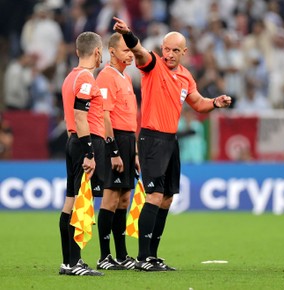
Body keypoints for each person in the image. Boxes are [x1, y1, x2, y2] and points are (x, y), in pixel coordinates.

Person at [113, 16, 232, 271]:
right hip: (152, 138)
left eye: (175, 50)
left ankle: (153, 255)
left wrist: (215, 103)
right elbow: (139, 51)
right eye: (166, 48)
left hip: (170, 140)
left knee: (166, 198)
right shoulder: (153, 65)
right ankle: (143, 258)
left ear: (184, 52)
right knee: (154, 195)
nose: (169, 54)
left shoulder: (186, 77)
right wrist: (129, 34)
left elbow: (198, 103)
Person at [58, 31, 105, 276]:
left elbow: (70, 118)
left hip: (73, 141)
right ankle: (75, 263)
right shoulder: (87, 77)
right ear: (97, 52)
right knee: (80, 202)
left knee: (70, 201)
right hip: (85, 143)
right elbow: (80, 115)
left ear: (77, 51)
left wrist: (75, 145)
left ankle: (68, 262)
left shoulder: (70, 77)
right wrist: (88, 152)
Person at [95, 32, 140, 271]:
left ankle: (121, 256)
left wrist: (133, 153)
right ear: (111, 52)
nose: (130, 54)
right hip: (113, 141)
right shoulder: (106, 77)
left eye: (132, 51)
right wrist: (113, 150)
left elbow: (128, 118)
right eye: (126, 50)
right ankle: (104, 256)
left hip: (127, 141)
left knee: (124, 199)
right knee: (110, 198)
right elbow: (104, 116)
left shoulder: (126, 77)